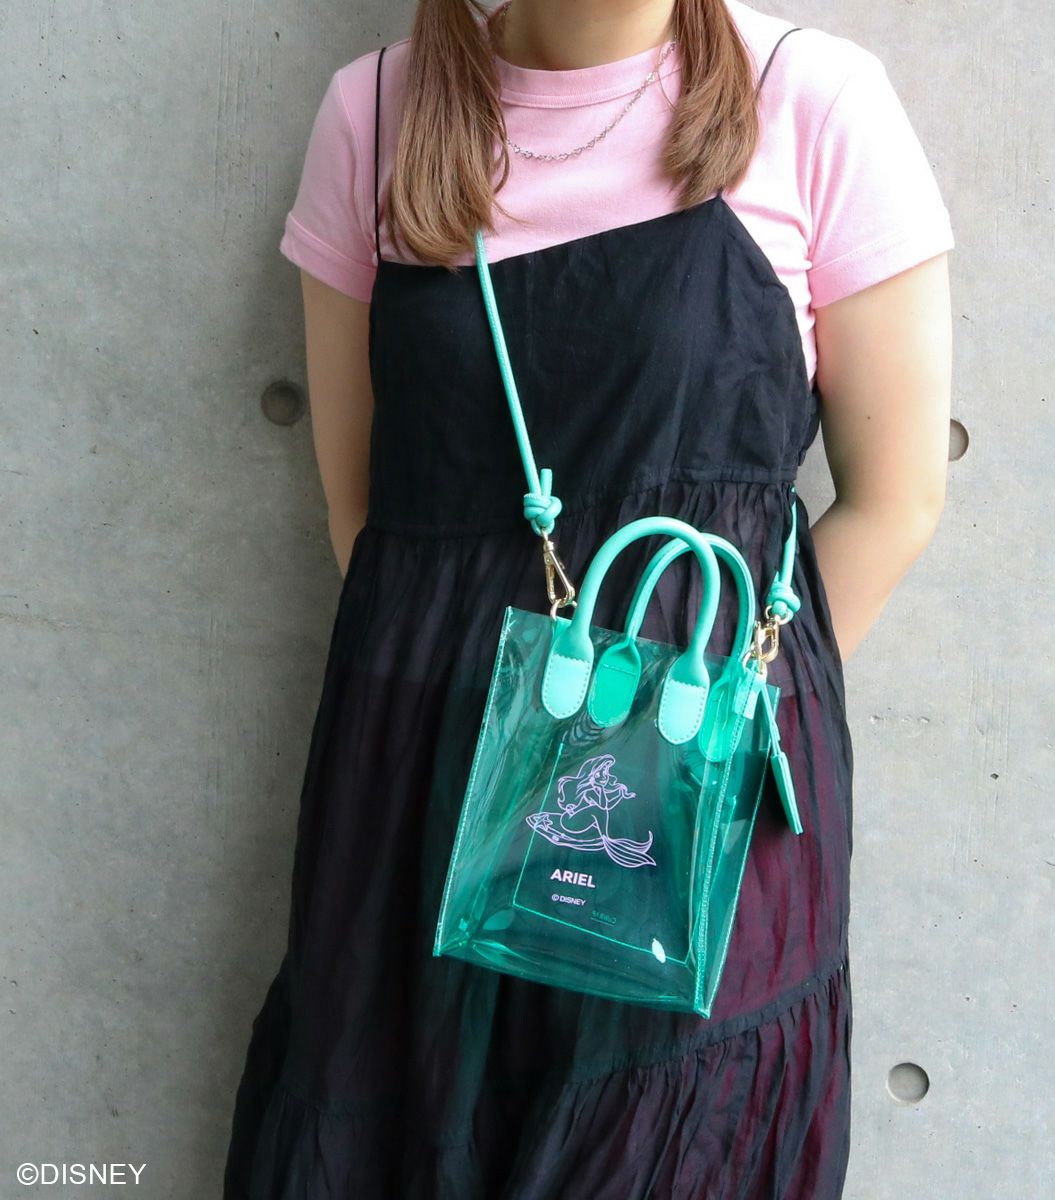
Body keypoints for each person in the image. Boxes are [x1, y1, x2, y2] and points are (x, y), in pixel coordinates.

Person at [223, 0, 954, 1196]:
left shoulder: (812, 98)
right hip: (415, 807)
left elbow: (898, 500)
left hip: (698, 814)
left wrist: (699, 735)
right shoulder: (377, 112)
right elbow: (371, 522)